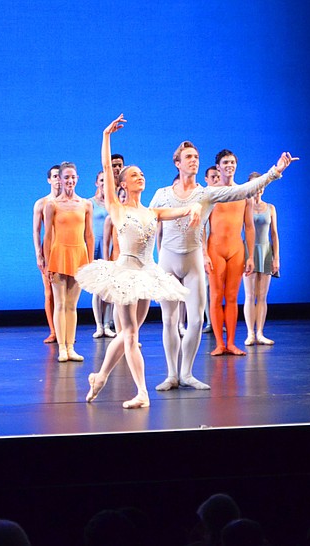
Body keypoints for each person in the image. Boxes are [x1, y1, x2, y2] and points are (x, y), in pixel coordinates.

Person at [149, 142, 297, 391]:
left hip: (193, 258)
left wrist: (275, 171)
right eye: (188, 157)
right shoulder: (163, 193)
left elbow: (242, 191)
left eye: (196, 156)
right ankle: (171, 374)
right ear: (177, 162)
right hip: (168, 260)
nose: (194, 160)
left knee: (195, 320)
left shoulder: (206, 193)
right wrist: (150, 260)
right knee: (169, 320)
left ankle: (186, 373)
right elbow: (150, 221)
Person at [78, 114, 195, 408]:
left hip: (147, 274)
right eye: (134, 175)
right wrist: (106, 135)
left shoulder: (152, 212)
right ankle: (142, 392)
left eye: (142, 174)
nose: (140, 177)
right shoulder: (116, 208)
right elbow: (106, 166)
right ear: (123, 184)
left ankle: (100, 376)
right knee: (129, 333)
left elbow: (179, 212)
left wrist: (193, 207)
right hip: (125, 274)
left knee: (130, 333)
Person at [205, 150, 257, 356]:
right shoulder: (209, 193)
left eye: (233, 162)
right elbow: (201, 225)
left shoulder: (244, 193)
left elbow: (250, 226)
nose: (230, 165)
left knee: (233, 297)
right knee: (216, 296)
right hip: (215, 249)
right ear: (218, 167)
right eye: (225, 162)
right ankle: (219, 343)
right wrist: (203, 253)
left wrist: (251, 255)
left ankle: (232, 343)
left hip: (236, 249)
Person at [44, 161, 93, 363]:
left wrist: (90, 263)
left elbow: (89, 235)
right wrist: (47, 264)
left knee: (72, 305)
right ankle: (62, 348)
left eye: (73, 177)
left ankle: (71, 346)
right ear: (60, 180)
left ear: (77, 178)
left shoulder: (85, 204)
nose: (70, 180)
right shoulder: (52, 205)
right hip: (59, 254)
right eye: (66, 177)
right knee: (61, 304)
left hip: (78, 255)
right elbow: (46, 236)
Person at [242, 176, 280, 346]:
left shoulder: (271, 208)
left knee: (262, 296)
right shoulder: (245, 206)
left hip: (265, 251)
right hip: (249, 251)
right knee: (250, 295)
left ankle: (260, 333)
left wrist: (276, 257)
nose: (258, 189)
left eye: (261, 186)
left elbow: (274, 234)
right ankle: (250, 333)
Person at [32, 165, 61, 343]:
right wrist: (38, 254)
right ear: (49, 180)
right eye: (55, 176)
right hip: (48, 250)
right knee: (49, 292)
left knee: (65, 294)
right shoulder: (41, 203)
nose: (58, 180)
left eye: (60, 176)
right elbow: (36, 231)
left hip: (65, 248)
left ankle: (65, 331)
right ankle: (53, 331)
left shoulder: (70, 202)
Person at [89, 170, 115, 338]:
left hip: (111, 247)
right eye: (102, 180)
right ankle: (99, 325)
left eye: (108, 181)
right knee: (98, 288)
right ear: (96, 183)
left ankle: (107, 324)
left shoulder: (114, 204)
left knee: (111, 287)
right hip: (96, 247)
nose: (105, 183)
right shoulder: (89, 203)